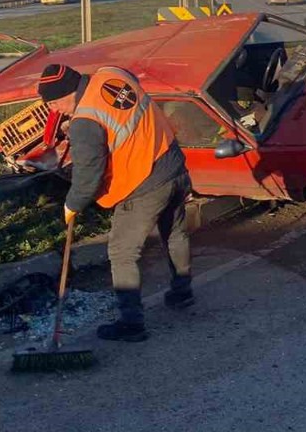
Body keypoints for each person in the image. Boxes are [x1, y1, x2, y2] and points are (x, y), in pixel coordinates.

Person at [38, 62, 194, 343]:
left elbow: (88, 176)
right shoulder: (111, 75)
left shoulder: (84, 123)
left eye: (54, 103)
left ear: (68, 93)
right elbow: (120, 109)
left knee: (122, 253)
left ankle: (131, 324)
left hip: (143, 184)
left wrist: (72, 204)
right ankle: (182, 293)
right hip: (174, 166)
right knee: (175, 234)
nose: (54, 110)